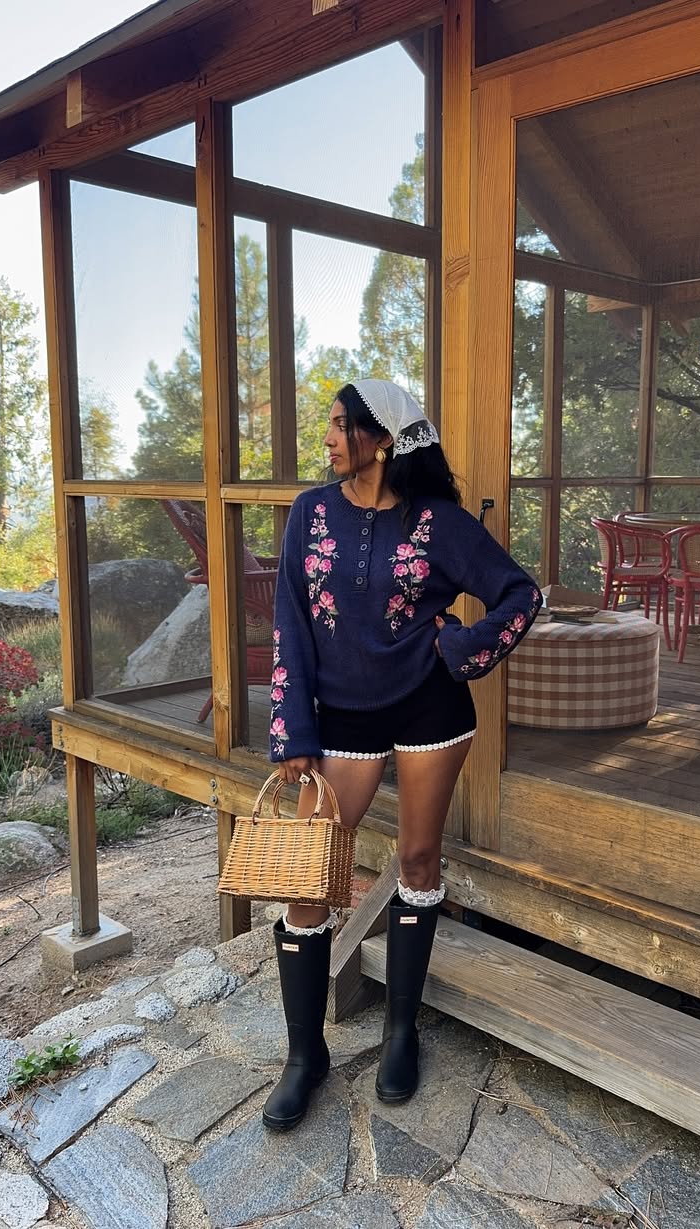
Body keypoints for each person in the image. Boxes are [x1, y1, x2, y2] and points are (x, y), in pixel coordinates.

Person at [262, 378, 541, 1131]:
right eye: (327, 424)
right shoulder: (310, 513)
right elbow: (289, 619)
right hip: (341, 717)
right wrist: (292, 730)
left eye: (338, 425)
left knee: (418, 861)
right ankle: (303, 1056)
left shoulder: (440, 523)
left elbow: (521, 594)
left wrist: (461, 647)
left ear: (382, 439)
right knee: (308, 880)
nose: (327, 438)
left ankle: (400, 1034)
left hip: (429, 707)